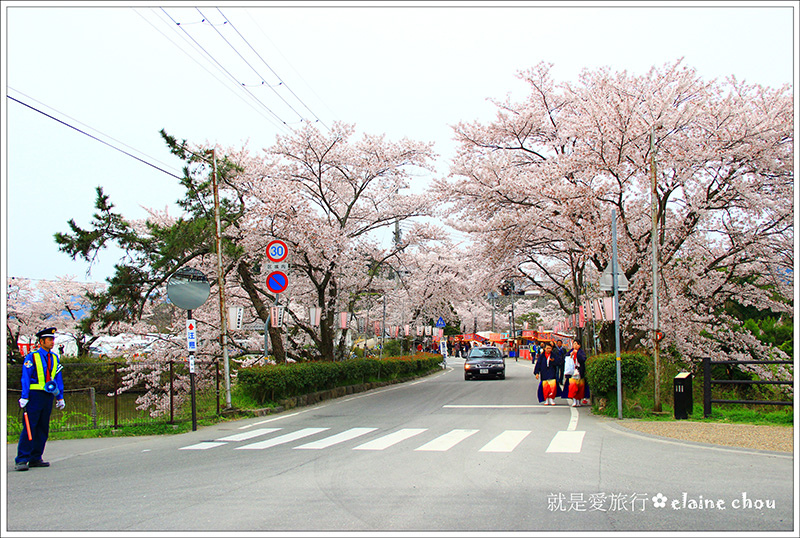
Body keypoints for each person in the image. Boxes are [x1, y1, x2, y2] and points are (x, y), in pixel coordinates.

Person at [15, 327, 65, 471]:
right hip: (34, 395)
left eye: (53, 340)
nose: (52, 342)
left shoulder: (55, 357)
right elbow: (25, 377)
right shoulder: (32, 356)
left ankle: (36, 457)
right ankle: (22, 459)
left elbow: (57, 378)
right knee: (30, 426)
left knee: (43, 427)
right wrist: (24, 396)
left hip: (48, 396)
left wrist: (59, 397)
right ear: (41, 341)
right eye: (49, 340)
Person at [561, 340, 590, 407]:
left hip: (580, 372)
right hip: (572, 372)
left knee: (580, 387)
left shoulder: (581, 352)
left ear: (579, 345)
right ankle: (574, 400)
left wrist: (577, 354)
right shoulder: (570, 352)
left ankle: (578, 400)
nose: (575, 345)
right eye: (574, 344)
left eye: (576, 344)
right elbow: (566, 359)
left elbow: (583, 360)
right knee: (573, 387)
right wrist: (571, 356)